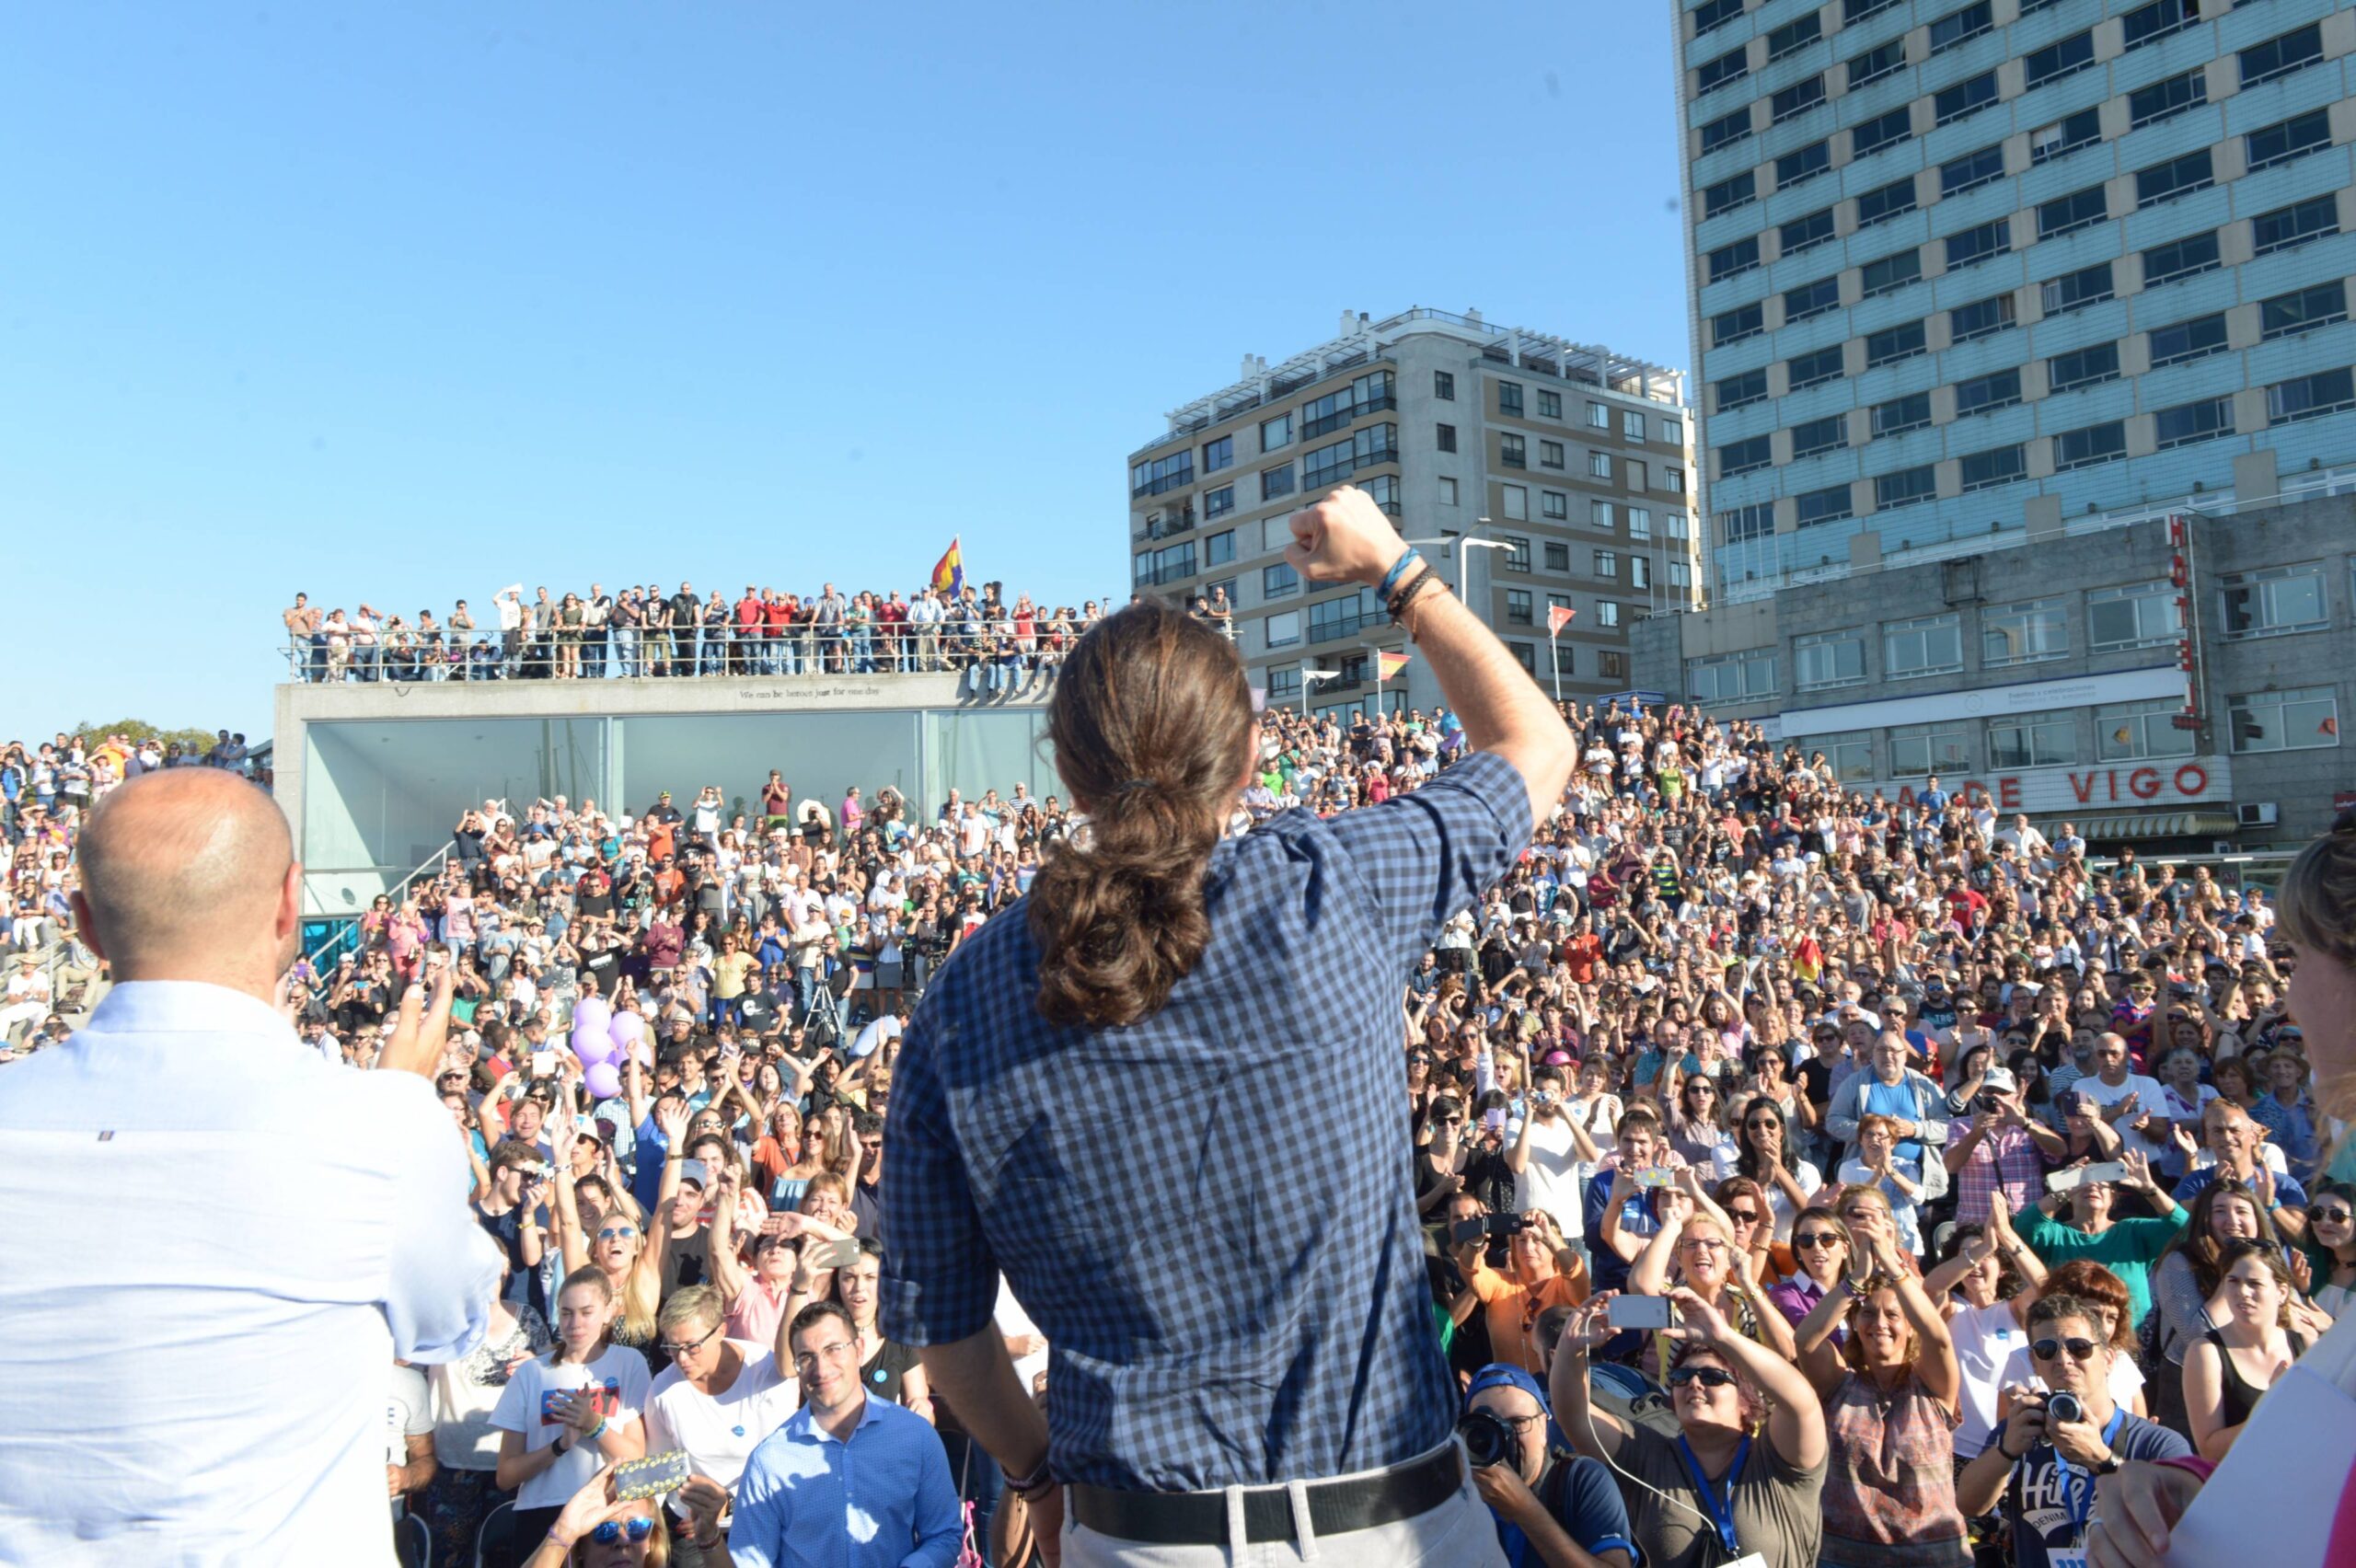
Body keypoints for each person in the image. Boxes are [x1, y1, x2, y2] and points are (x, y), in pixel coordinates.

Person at [882, 490, 1576, 1564]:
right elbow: (1534, 742)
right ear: (1250, 753)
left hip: (1136, 1537)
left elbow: (947, 1333)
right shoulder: (1333, 887)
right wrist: (1396, 569)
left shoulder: (961, 1001)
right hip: (1397, 1531)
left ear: (1066, 770)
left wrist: (1032, 1473)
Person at [0, 767, 501, 1561]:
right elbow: (449, 1325)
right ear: (287, 906)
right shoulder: (381, 1124)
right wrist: (400, 1103)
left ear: (85, 925)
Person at [1552, 1286, 1830, 1568]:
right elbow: (1575, 1416)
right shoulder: (1650, 1454)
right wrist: (1571, 1346)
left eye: (1711, 1377)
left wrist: (1723, 1337)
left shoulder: (1774, 1461)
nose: (1694, 1384)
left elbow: (1801, 1402)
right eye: (1682, 1377)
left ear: (1746, 1400)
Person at [699, 1300, 963, 1568]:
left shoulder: (914, 1437)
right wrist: (709, 1538)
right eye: (806, 1357)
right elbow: (750, 1562)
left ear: (859, 1350)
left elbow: (944, 1535)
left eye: (833, 1349)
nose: (821, 1369)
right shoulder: (770, 1461)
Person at [1956, 1291, 2191, 1568]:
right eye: (2047, 1349)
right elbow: (1969, 1505)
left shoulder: (2156, 1443)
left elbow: (2183, 1524)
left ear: (2108, 1359)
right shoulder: (2024, 1428)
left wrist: (2101, 1459)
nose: (2063, 1359)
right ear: (2034, 1363)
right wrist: (2006, 1451)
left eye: (2079, 1347)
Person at [1794, 1203, 1970, 1566]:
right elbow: (1805, 1341)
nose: (1880, 1323)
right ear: (1855, 1324)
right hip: (1844, 1558)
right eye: (1868, 1313)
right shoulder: (1840, 1384)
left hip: (1933, 1557)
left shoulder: (1933, 1387)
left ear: (1910, 1326)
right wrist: (1856, 1278)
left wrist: (1892, 1264)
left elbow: (1938, 1339)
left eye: (1893, 1315)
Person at [490, 1268, 653, 1568]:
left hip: (606, 1513)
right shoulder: (531, 1373)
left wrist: (595, 1425)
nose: (575, 1323)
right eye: (566, 1313)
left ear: (608, 1311)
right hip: (541, 1514)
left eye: (586, 1312)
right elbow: (506, 1475)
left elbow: (636, 1457)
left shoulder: (629, 1362)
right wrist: (558, 1448)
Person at [643, 1286, 798, 1566]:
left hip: (761, 1516)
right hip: (692, 1524)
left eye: (692, 1347)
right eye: (671, 1348)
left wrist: (729, 1506)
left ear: (721, 1331)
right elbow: (659, 1468)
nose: (682, 1359)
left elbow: (782, 1463)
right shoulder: (663, 1390)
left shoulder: (766, 1371)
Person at [1458, 1364, 1637, 1568]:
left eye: (1517, 1422)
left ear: (1544, 1427)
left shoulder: (1580, 1479)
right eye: (1487, 1426)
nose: (1503, 1437)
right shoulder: (1457, 1497)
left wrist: (1525, 1510)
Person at [2178, 1239, 2311, 1462]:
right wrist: (2269, 1407)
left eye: (2254, 1283)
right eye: (2233, 1281)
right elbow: (2210, 1450)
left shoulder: (2306, 1344)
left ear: (2282, 1292)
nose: (2242, 1292)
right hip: (2242, 1484)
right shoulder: (2206, 1352)